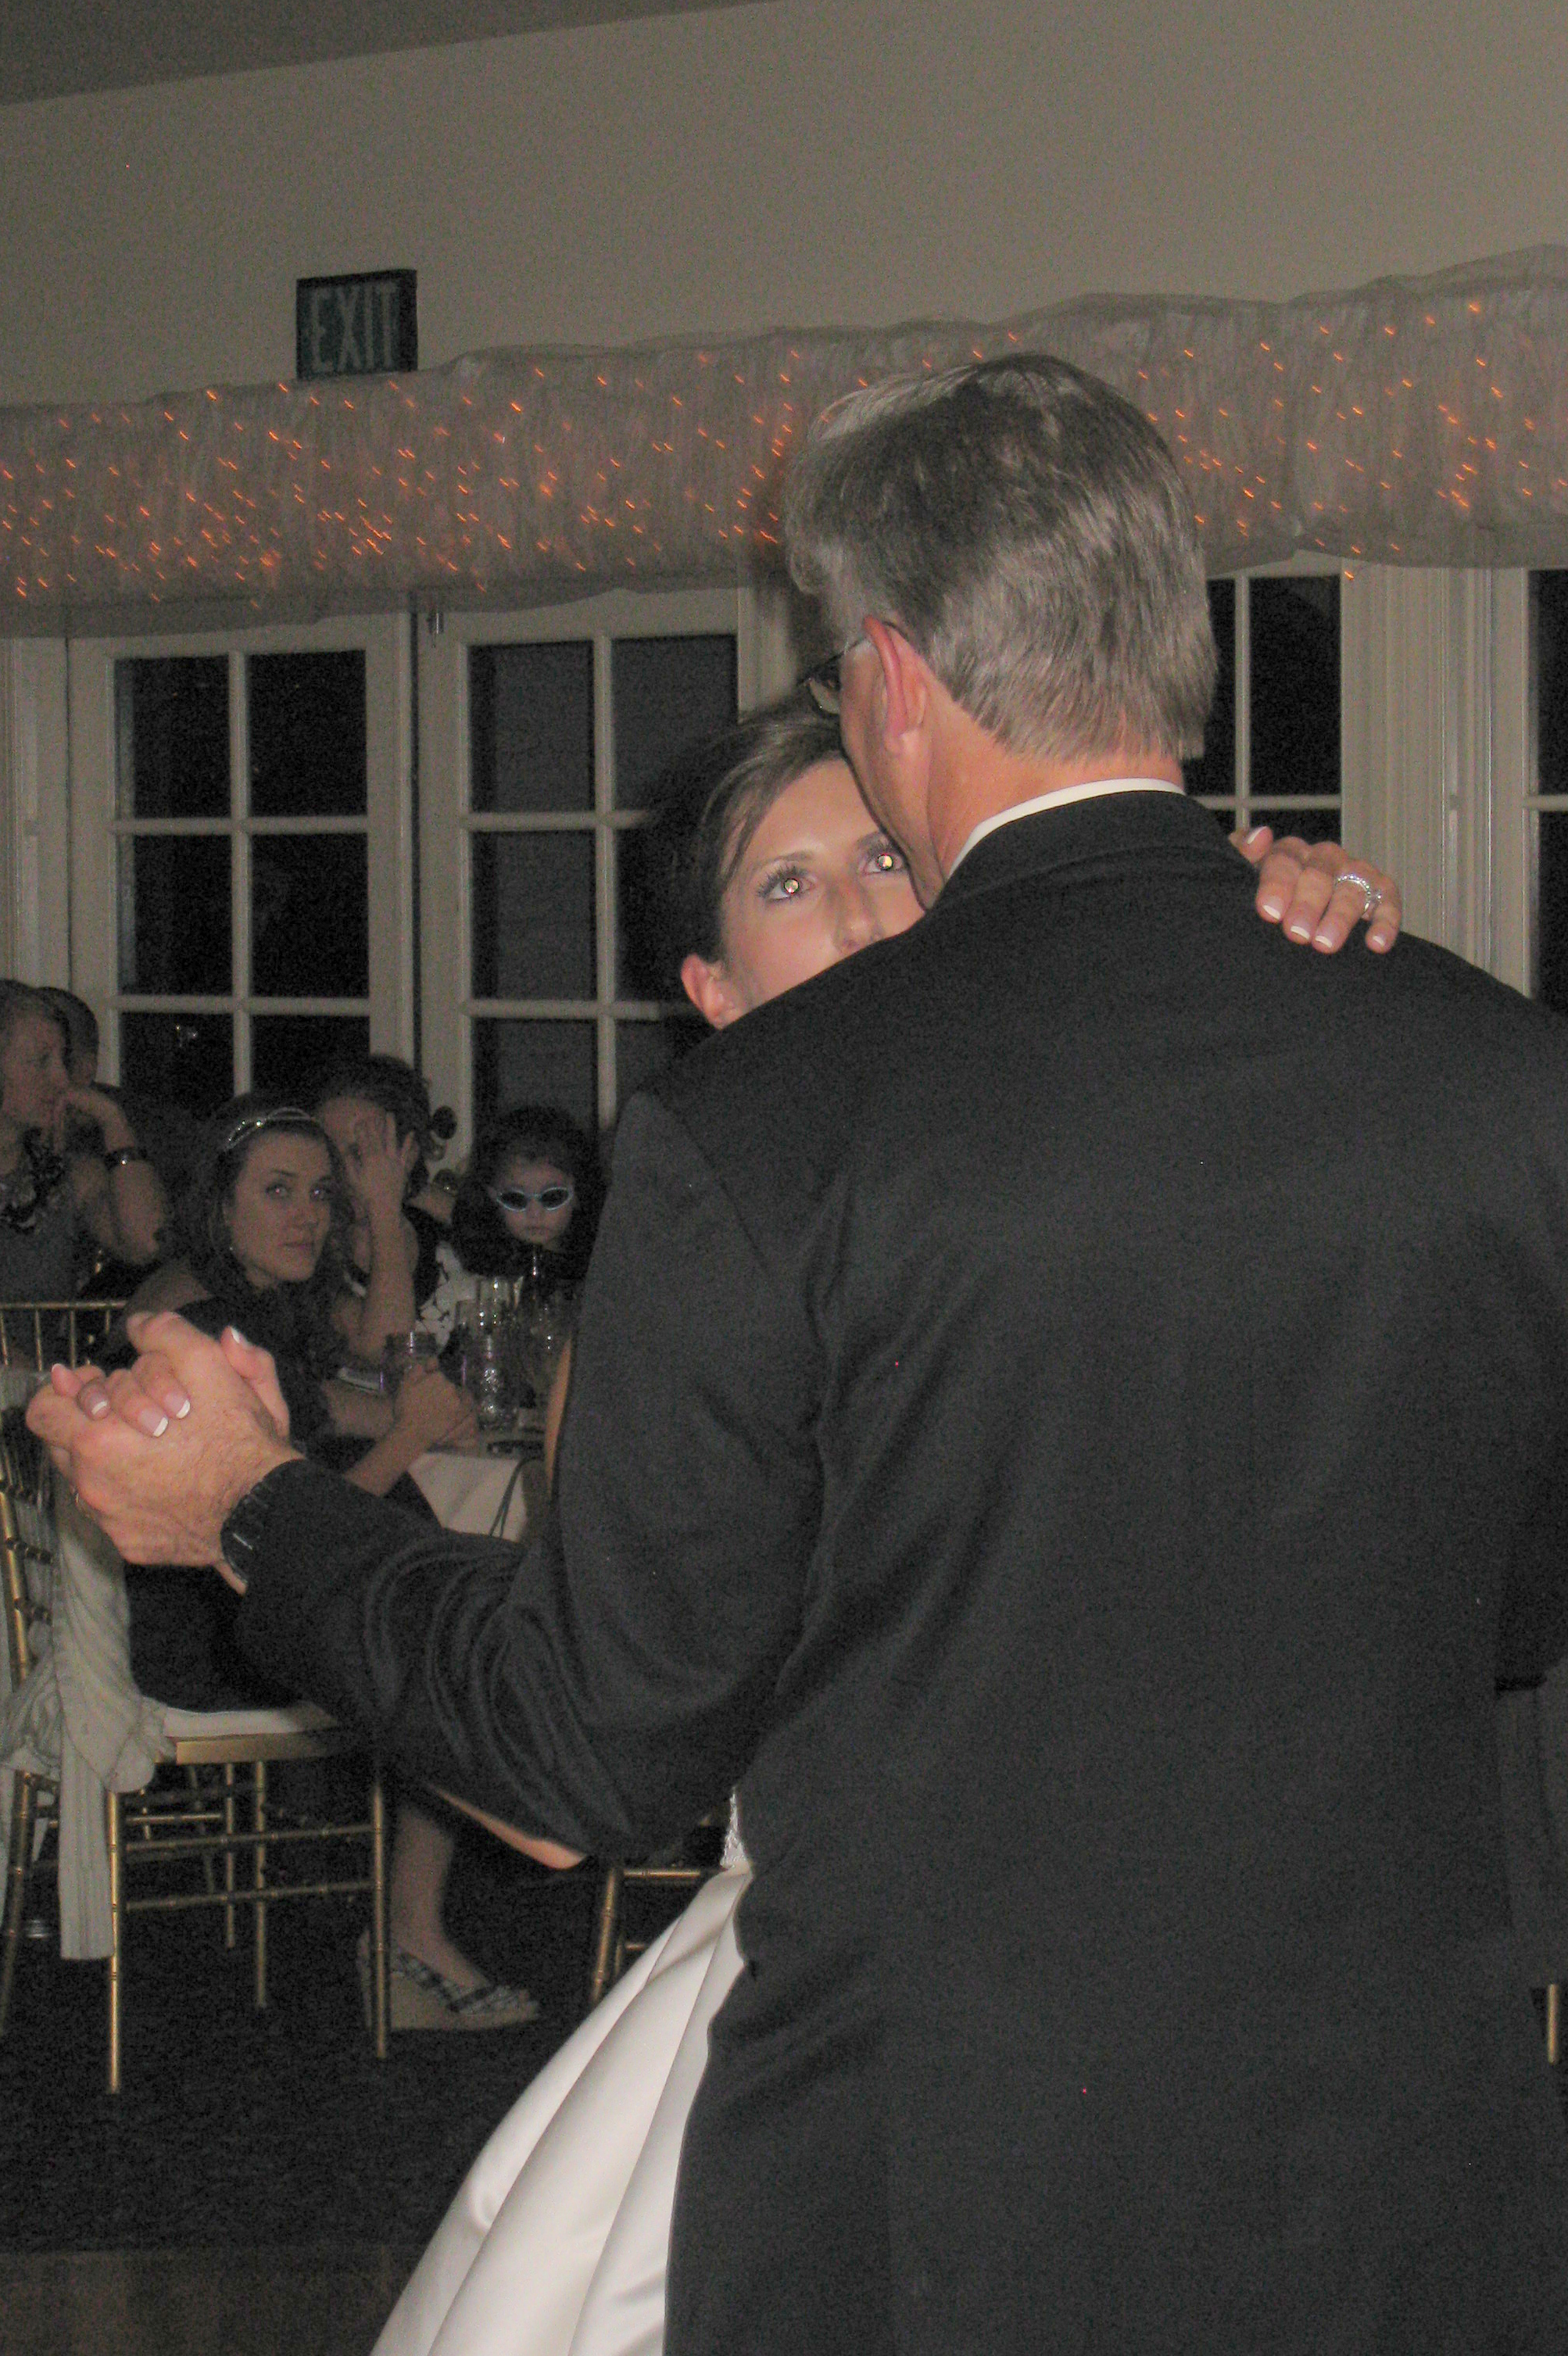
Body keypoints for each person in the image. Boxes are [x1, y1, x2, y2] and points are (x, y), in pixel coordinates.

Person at [36, 352, 1568, 2353]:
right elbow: (1514, 1602)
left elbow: (591, 1747)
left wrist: (253, 1506)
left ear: (891, 673)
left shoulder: (766, 1128)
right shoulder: (1501, 1073)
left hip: (948, 2203)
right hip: (1407, 2181)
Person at [369, 696, 1407, 2356]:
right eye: (787, 886)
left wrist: (1282, 941)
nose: (859, 911)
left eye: (881, 857)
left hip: (1231, 1997)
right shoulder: (692, 1293)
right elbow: (600, 1746)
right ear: (710, 993)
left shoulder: (1110, 1159)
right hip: (864, 2017)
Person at [116, 1097, 537, 2028]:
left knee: (441, 1604)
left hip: (233, 1606)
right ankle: (410, 1938)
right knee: (447, 1647)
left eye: (318, 1193)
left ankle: (412, 1930)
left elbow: (340, 1402)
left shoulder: (250, 1306)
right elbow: (279, 1534)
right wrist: (409, 1433)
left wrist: (408, 1417)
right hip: (212, 1635)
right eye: (278, 1191)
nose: (307, 1214)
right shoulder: (208, 1326)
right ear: (220, 1205)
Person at [0, 981, 167, 1308]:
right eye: (41, 1061)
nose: (62, 1080)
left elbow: (149, 1243)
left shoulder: (65, 1177)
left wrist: (113, 1120)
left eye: (62, 1060)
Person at [310, 1054, 456, 1366]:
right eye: (329, 1154)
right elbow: (386, 1347)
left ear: (409, 1152)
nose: (341, 1174)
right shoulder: (308, 1249)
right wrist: (384, 1208)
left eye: (362, 1153)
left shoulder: (446, 1235)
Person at [448, 1105, 603, 1292]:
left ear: (578, 1193)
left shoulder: (600, 1266)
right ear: (491, 1196)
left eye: (553, 1197)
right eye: (516, 1199)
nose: (535, 1214)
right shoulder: (479, 1274)